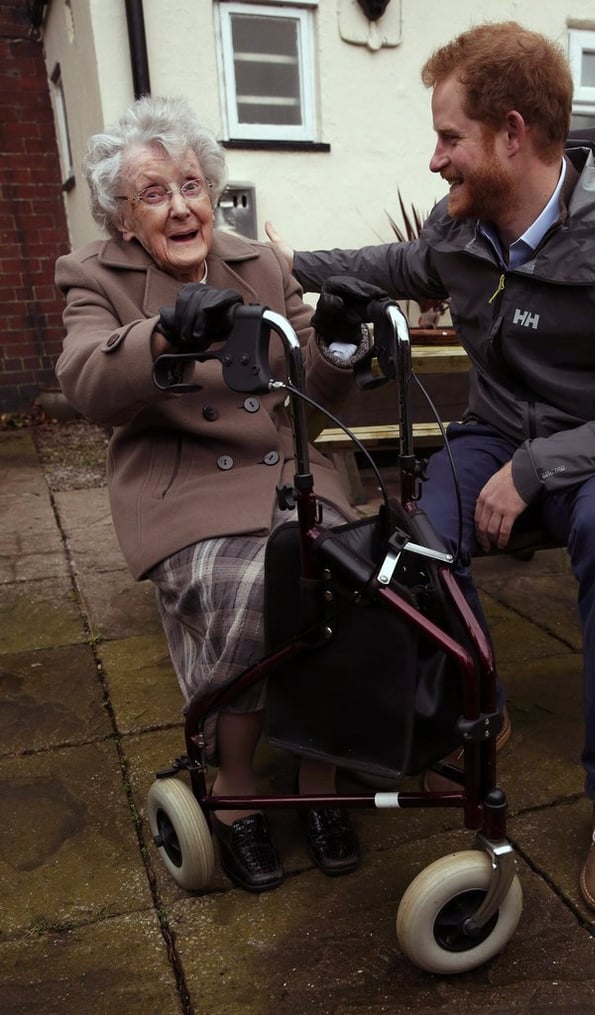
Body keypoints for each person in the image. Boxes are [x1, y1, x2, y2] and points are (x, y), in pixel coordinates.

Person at [266, 22, 595, 919]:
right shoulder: (465, 232)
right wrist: (269, 267)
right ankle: (481, 699)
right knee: (419, 529)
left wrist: (541, 464)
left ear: (512, 134)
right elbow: (389, 264)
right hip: (495, 433)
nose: (435, 160)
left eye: (449, 137)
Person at [55, 95, 373, 894]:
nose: (181, 206)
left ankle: (318, 775)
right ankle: (233, 783)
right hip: (186, 489)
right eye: (154, 194)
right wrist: (162, 335)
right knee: (258, 589)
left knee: (354, 581)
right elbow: (86, 379)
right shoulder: (96, 276)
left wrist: (337, 336)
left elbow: (320, 390)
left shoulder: (259, 262)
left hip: (287, 476)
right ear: (124, 218)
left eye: (191, 185)